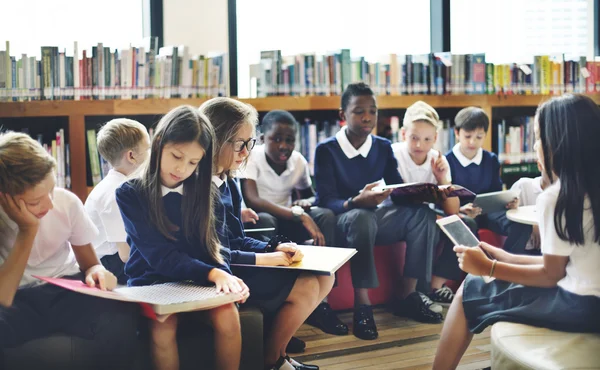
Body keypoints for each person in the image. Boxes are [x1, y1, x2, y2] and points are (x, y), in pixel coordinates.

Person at [433, 94, 600, 369]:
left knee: (470, 288)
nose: (535, 146)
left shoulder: (557, 197)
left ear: (555, 145)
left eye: (537, 137)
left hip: (580, 305)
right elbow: (567, 265)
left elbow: (551, 274)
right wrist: (503, 257)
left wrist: (488, 268)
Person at [200, 97, 331, 370]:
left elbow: (237, 237)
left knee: (325, 277)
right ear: (215, 139)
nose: (246, 152)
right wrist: (264, 259)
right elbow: (217, 253)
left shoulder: (229, 182)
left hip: (237, 263)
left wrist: (275, 247)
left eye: (250, 144)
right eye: (239, 144)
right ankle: (271, 359)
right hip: (220, 273)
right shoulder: (201, 190)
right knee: (307, 286)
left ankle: (279, 355)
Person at [115, 106, 248, 370]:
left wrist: (226, 276)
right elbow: (160, 257)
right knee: (163, 328)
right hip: (151, 282)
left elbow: (215, 246)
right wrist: (214, 274)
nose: (182, 168)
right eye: (177, 156)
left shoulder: (206, 190)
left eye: (193, 162)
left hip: (196, 281)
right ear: (159, 143)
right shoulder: (130, 194)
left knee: (228, 316)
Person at [315, 83, 446, 341]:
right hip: (344, 218)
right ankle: (362, 304)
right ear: (343, 115)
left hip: (375, 217)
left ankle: (408, 294)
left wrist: (423, 193)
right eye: (359, 111)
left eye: (372, 111)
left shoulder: (383, 146)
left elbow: (395, 188)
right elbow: (325, 199)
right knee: (363, 217)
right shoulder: (326, 150)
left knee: (424, 214)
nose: (367, 117)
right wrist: (356, 201)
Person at [0, 132, 138, 369]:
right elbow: (3, 297)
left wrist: (97, 271)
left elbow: (90, 263)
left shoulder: (66, 202)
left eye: (52, 190)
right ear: (6, 198)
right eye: (35, 201)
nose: (50, 205)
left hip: (65, 289)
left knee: (121, 319)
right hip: (18, 297)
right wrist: (27, 230)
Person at [240, 109, 346, 337]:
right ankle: (276, 305)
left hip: (288, 218)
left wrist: (303, 207)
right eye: (276, 139)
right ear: (262, 139)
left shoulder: (298, 161)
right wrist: (297, 214)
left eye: (289, 140)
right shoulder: (253, 157)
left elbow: (310, 196)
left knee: (325, 214)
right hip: (263, 219)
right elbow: (253, 199)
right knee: (265, 220)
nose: (283, 146)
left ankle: (322, 303)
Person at [391, 101, 463, 305]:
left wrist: (442, 180)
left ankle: (436, 285)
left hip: (428, 217)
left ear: (435, 139)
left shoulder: (438, 160)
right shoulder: (394, 154)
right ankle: (413, 292)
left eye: (426, 139)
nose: (419, 145)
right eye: (414, 138)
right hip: (398, 217)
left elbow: (453, 211)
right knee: (427, 217)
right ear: (403, 134)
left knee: (463, 224)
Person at [445, 107, 522, 251]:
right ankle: (477, 267)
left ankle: (508, 264)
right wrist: (459, 209)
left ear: (485, 135)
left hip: (488, 213)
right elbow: (442, 201)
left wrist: (508, 202)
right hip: (462, 214)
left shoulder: (490, 160)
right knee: (467, 224)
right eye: (467, 136)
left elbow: (496, 193)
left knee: (518, 224)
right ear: (457, 133)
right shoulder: (446, 161)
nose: (472, 142)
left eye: (479, 137)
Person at [85, 118, 151, 284]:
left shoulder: (127, 185)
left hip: (118, 256)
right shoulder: (115, 193)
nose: (152, 155)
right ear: (131, 156)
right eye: (148, 149)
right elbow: (126, 255)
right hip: (109, 263)